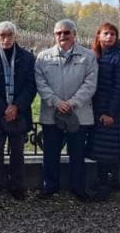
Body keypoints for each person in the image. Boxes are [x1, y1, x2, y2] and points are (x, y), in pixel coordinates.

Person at [35, 19, 98, 200]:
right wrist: (56, 101)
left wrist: (72, 102)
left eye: (66, 32)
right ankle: (49, 186)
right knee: (50, 153)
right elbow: (40, 83)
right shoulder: (43, 57)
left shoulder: (88, 56)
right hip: (52, 113)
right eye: (58, 33)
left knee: (77, 154)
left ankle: (77, 187)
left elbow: (90, 83)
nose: (62, 36)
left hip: (78, 114)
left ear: (74, 34)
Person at [0, 21, 36, 201]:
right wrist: (4, 107)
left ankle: (17, 185)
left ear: (15, 36)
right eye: (2, 35)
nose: (6, 39)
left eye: (9, 35)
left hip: (19, 111)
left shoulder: (27, 57)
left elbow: (31, 85)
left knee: (18, 151)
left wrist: (16, 106)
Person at [88, 22, 120, 201]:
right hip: (97, 109)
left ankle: (104, 185)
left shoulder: (119, 58)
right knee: (102, 148)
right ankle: (110, 181)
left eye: (113, 34)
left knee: (107, 150)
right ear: (98, 36)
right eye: (106, 33)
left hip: (111, 110)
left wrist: (110, 113)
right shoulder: (96, 56)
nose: (109, 37)